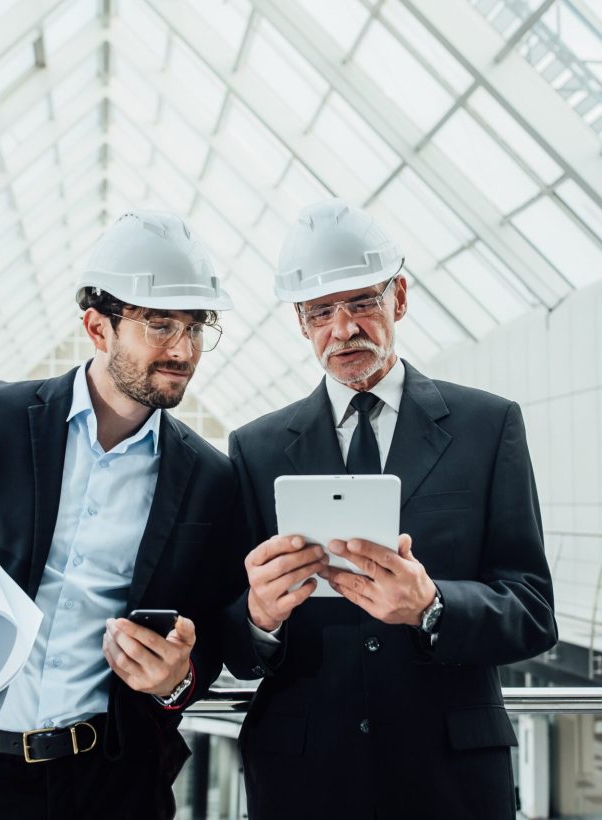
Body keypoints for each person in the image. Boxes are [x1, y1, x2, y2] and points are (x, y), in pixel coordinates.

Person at [0, 210, 240, 820]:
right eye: (161, 325)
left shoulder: (210, 479)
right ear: (98, 327)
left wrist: (176, 679)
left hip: (114, 785)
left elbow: (212, 641)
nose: (183, 349)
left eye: (197, 328)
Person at [222, 199, 557, 820]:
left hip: (450, 778)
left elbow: (533, 610)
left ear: (399, 297)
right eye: (320, 311)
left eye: (362, 303)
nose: (342, 329)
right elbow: (234, 644)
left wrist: (434, 607)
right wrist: (258, 617)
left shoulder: (490, 426)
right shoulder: (255, 448)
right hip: (305, 779)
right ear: (301, 323)